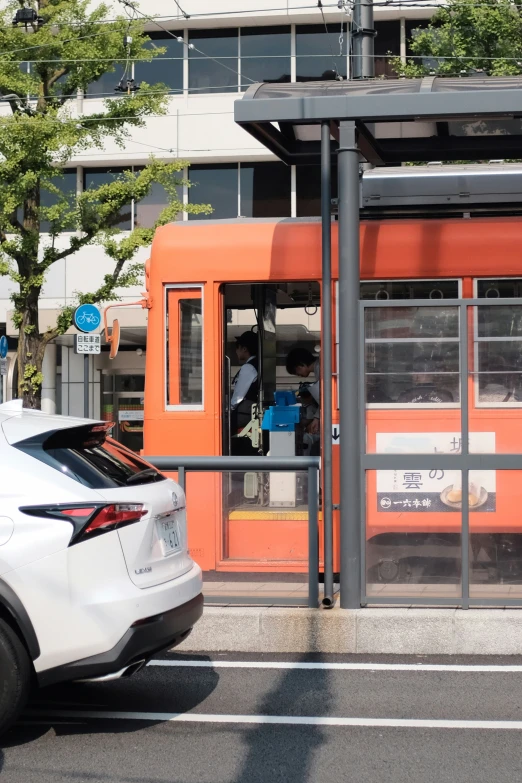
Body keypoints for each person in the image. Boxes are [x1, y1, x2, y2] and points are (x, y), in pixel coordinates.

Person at [230, 330, 259, 455]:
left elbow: (238, 396)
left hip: (244, 413)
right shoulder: (258, 364)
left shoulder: (248, 367)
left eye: (238, 348)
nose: (236, 352)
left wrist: (229, 410)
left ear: (244, 349)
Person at [286, 347, 320, 436]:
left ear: (301, 364)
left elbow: (327, 397)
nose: (299, 375)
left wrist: (316, 418)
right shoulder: (319, 366)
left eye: (296, 371)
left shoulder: (320, 368)